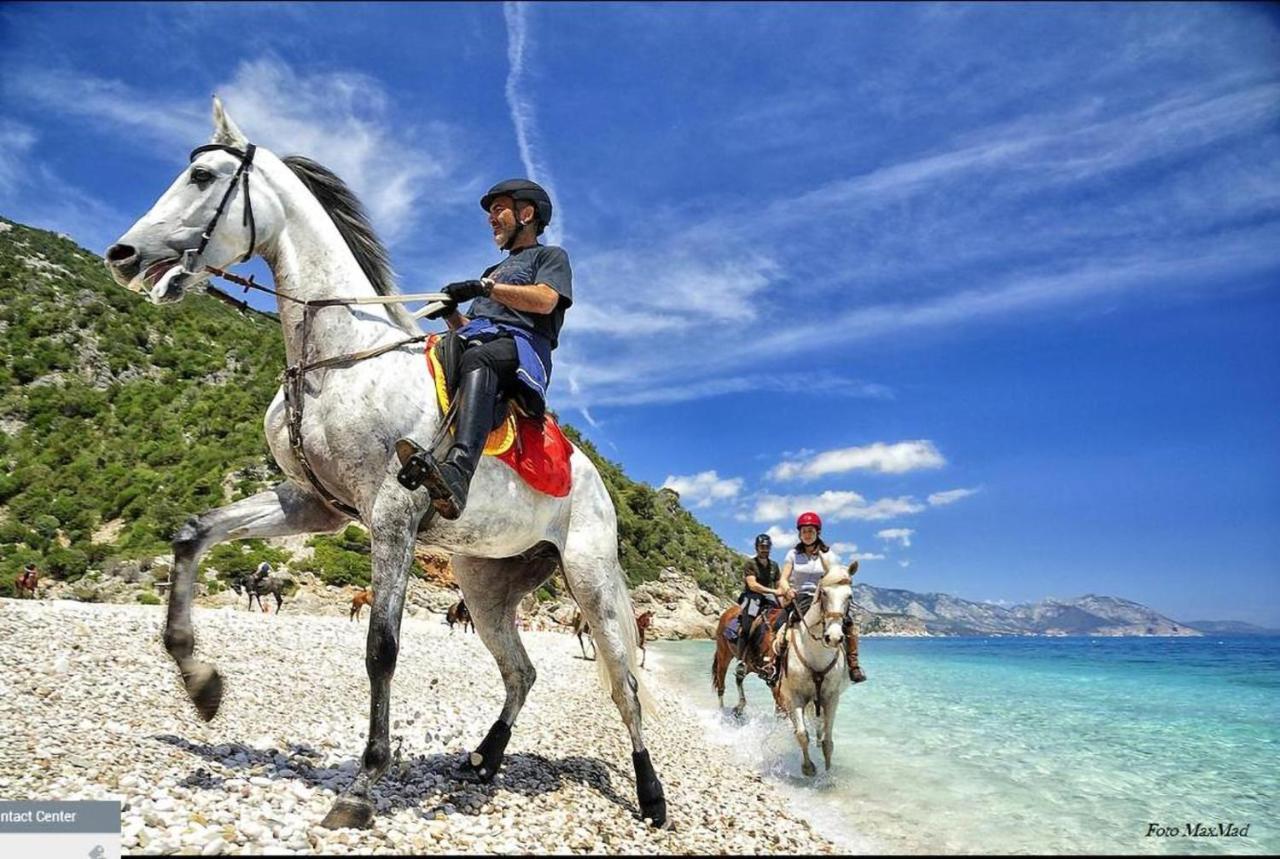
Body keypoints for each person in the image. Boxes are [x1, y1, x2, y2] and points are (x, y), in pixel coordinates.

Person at [395, 178, 572, 520]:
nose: (491, 218)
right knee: (431, 349)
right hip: (480, 340)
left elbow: (547, 300)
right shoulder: (494, 269)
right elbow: (470, 329)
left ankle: (460, 471)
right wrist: (449, 313)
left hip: (521, 350)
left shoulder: (551, 257)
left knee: (481, 355)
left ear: (527, 213)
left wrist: (485, 287)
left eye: (498, 209)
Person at [775, 512, 866, 683]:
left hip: (823, 596)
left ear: (817, 533)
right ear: (800, 534)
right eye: (804, 531)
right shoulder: (793, 554)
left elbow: (835, 577)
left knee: (849, 624)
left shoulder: (829, 555)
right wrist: (787, 590)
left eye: (810, 531)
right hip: (799, 596)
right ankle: (775, 666)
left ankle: (853, 665)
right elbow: (783, 579)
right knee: (779, 624)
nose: (807, 534)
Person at [736, 534, 783, 665]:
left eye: (767, 547)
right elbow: (753, 585)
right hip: (752, 598)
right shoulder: (750, 564)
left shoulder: (774, 566)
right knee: (746, 627)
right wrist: (774, 591)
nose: (764, 549)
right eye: (762, 547)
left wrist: (783, 599)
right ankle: (742, 661)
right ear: (757, 547)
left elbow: (779, 586)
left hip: (769, 599)